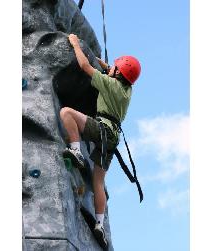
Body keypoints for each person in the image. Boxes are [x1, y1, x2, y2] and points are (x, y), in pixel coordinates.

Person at [60, 34, 141, 247]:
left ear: (117, 74)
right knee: (98, 182)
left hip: (102, 129)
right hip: (112, 139)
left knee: (67, 113)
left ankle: (76, 150)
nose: (110, 68)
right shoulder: (127, 90)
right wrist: (102, 61)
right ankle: (99, 225)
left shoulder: (108, 84)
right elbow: (109, 69)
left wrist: (76, 45)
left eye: (114, 68)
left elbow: (85, 66)